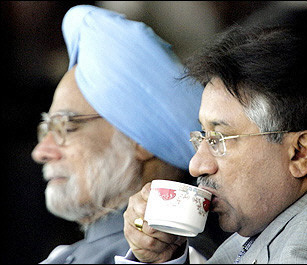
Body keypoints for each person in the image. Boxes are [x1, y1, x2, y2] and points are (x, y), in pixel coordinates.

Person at [116, 7, 307, 264]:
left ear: (301, 153)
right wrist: (163, 258)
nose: (197, 166)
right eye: (203, 137)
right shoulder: (271, 221)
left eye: (219, 140)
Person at [31, 5, 227, 264]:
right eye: (46, 130)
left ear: (140, 141)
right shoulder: (71, 254)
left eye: (67, 127)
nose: (41, 152)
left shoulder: (179, 255)